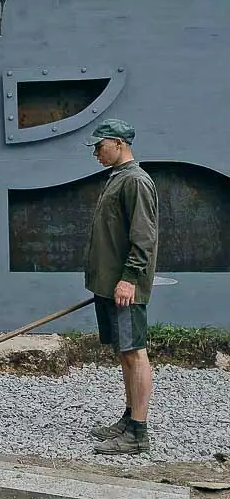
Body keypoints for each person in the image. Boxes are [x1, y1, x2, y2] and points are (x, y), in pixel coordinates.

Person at [83, 118, 159, 455]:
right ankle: (129, 419)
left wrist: (129, 278)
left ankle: (138, 433)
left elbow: (144, 237)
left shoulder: (136, 181)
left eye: (99, 146)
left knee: (134, 352)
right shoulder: (119, 177)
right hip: (112, 285)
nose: (96, 153)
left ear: (118, 143)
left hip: (126, 286)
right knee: (125, 353)